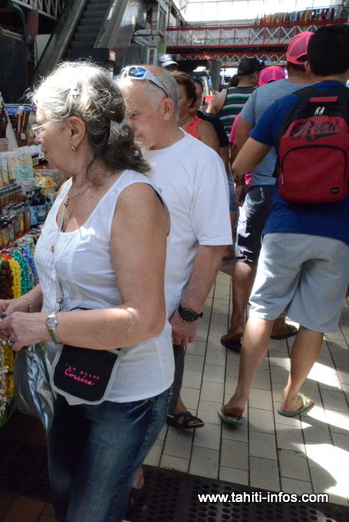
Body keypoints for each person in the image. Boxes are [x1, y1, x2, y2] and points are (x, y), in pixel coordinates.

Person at [0, 61, 172, 522]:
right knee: (66, 494)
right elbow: (61, 273)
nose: (34, 136)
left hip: (126, 395)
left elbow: (146, 319)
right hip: (72, 379)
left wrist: (45, 326)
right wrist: (26, 303)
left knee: (92, 512)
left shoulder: (132, 198)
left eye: (39, 125)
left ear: (74, 129)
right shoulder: (69, 187)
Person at [220, 24, 349, 425]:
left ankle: (240, 397)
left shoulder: (283, 105)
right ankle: (291, 398)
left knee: (262, 309)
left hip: (284, 222)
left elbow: (241, 164)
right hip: (338, 231)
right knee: (313, 319)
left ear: (308, 64)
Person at [118, 66, 231, 434]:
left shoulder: (202, 163)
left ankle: (133, 473)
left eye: (134, 114)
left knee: (146, 408)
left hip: (161, 317)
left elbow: (213, 246)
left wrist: (188, 312)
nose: (125, 124)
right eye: (120, 114)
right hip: (105, 312)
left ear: (167, 109)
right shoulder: (116, 155)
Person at [220, 32, 314, 353]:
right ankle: (275, 323)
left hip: (262, 188)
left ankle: (236, 323)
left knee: (247, 255)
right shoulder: (334, 96)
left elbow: (239, 141)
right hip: (310, 197)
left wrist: (240, 178)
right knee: (290, 260)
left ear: (288, 60)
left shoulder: (264, 95)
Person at [208, 57, 262, 136]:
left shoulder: (222, 96)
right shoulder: (261, 95)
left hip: (228, 146)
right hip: (253, 146)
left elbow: (208, 121)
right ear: (256, 74)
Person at [173, 71, 220, 153]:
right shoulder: (157, 126)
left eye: (177, 98)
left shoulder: (203, 129)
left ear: (189, 101)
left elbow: (212, 163)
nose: (170, 102)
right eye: (168, 96)